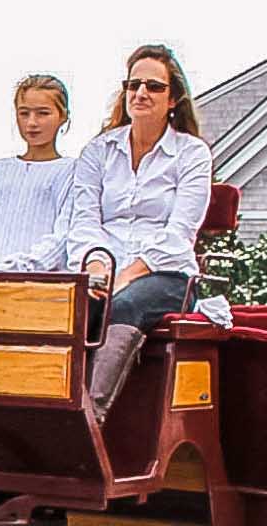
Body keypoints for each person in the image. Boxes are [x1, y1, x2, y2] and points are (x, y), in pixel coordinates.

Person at [66, 43, 211, 417]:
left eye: (154, 86)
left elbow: (179, 233)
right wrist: (97, 270)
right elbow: (83, 222)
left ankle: (89, 420)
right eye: (133, 85)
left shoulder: (192, 154)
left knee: (124, 304)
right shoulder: (98, 151)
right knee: (68, 306)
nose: (141, 94)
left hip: (166, 275)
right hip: (103, 269)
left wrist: (124, 277)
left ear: (174, 98)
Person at [0, 75, 74, 270]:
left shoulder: (74, 171)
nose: (32, 122)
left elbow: (65, 233)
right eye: (24, 113)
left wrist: (20, 268)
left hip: (43, 285)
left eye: (43, 113)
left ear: (62, 116)